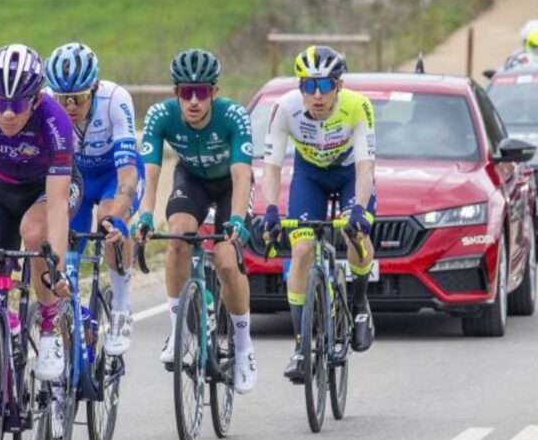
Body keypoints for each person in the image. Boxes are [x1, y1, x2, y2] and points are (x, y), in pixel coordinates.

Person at [132, 48, 257, 394]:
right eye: (186, 92)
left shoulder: (234, 116)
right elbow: (151, 175)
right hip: (193, 180)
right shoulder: (160, 115)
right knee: (177, 237)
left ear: (214, 92)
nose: (193, 101)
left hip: (230, 183)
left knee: (226, 260)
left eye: (201, 92)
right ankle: (179, 332)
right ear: (175, 93)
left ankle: (244, 348)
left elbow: (243, 174)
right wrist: (144, 215)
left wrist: (236, 221)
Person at [0, 44, 75, 387]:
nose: (8, 113)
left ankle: (50, 327)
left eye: (19, 103)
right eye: (1, 102)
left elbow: (56, 205)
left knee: (34, 231)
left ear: (36, 99)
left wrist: (59, 267)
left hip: (44, 189)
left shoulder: (55, 120)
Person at [259, 45, 377, 382]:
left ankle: (358, 304)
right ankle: (300, 346)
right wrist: (270, 210)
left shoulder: (358, 106)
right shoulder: (285, 108)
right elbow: (272, 167)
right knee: (300, 250)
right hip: (309, 176)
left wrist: (358, 211)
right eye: (308, 86)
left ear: (339, 85)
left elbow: (366, 165)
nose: (317, 95)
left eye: (324, 85)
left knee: (356, 235)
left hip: (350, 173)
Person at [45, 42, 143, 355]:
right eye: (63, 98)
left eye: (78, 97)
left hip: (113, 174)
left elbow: (128, 170)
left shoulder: (115, 99)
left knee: (107, 222)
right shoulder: (46, 103)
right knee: (65, 248)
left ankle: (121, 309)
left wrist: (119, 214)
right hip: (74, 177)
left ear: (95, 88)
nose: (70, 106)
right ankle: (68, 335)